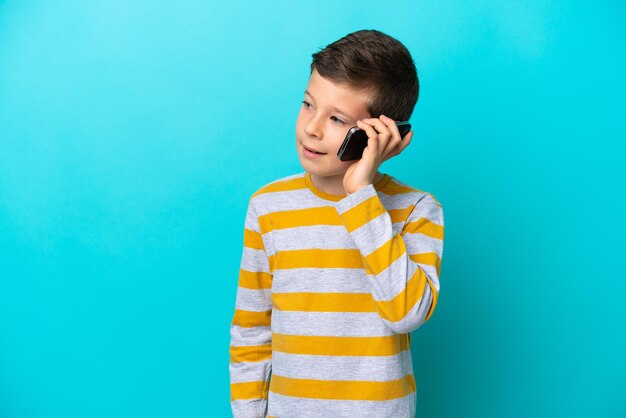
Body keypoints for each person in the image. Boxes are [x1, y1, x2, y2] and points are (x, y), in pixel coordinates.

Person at [228, 29, 445, 418]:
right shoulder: (267, 207)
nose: (312, 127)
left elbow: (407, 313)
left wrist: (360, 193)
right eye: (308, 104)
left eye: (337, 118)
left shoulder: (417, 210)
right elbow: (251, 329)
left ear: (379, 133)